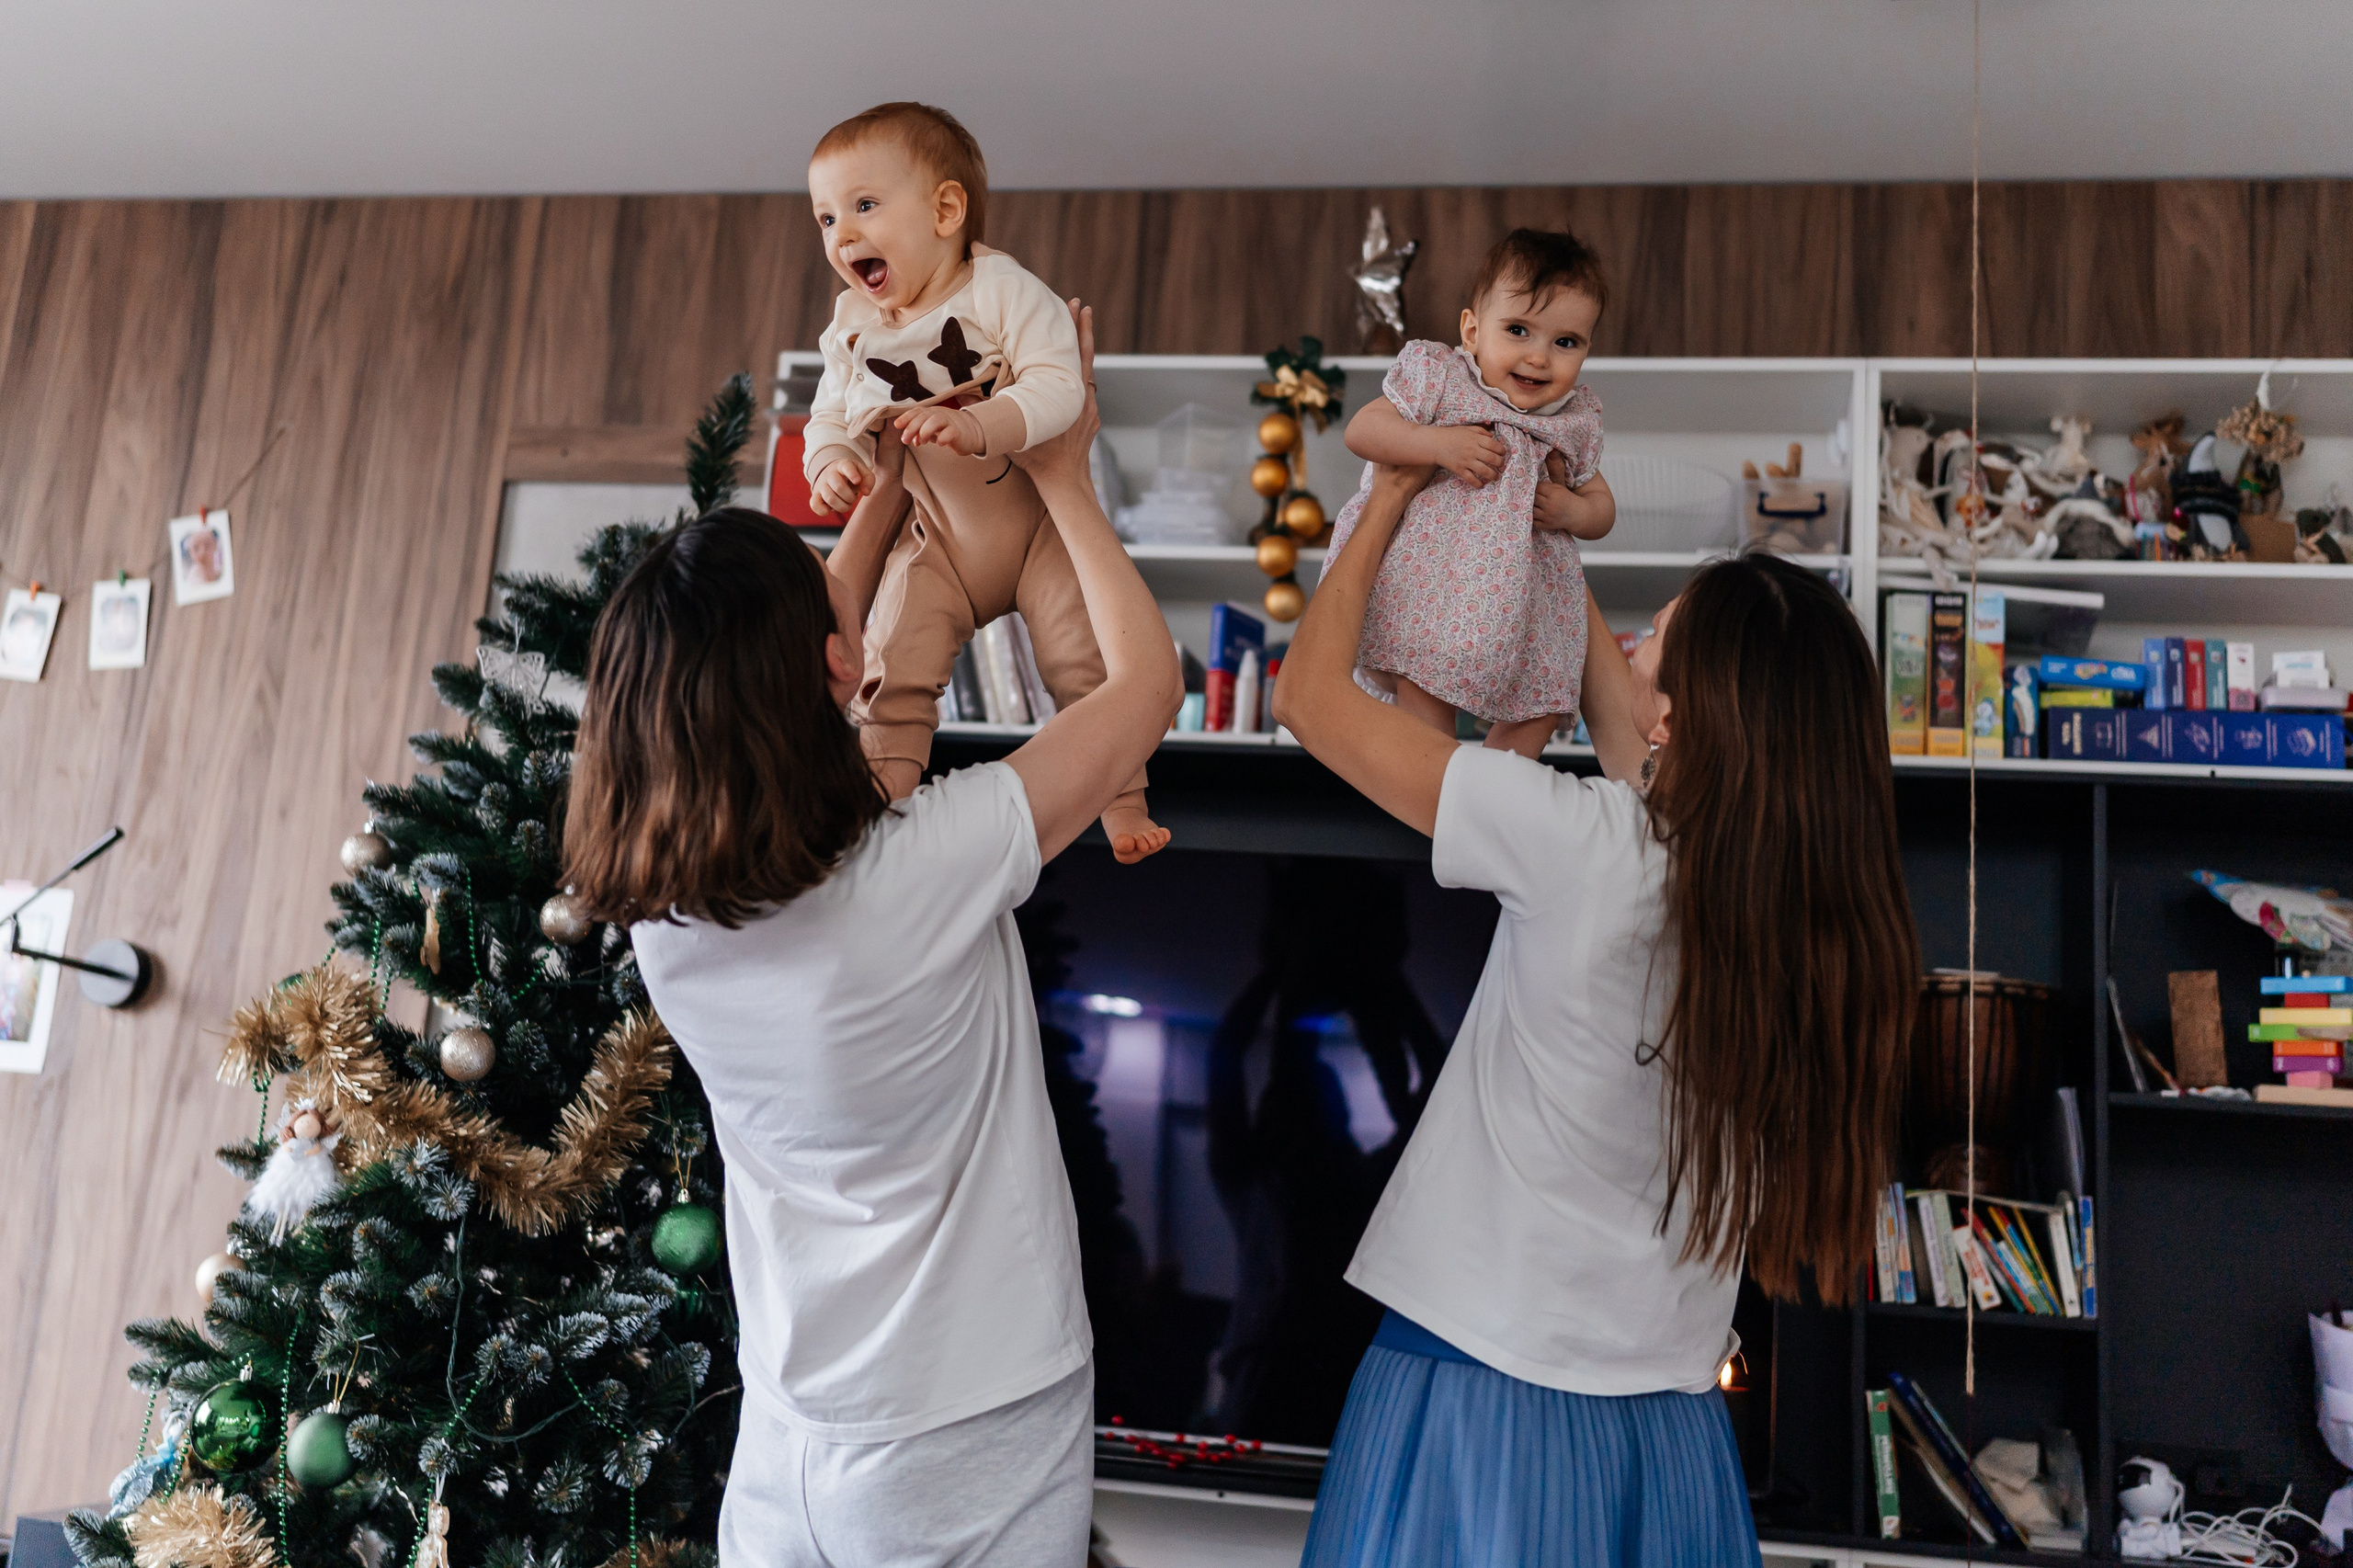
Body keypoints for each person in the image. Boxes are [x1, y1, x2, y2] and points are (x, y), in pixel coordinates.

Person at [563, 302, 1179, 1568]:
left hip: (795, 1427)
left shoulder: (669, 919)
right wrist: (1061, 475)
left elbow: (806, 653)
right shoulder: (926, 869)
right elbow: (1145, 688)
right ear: (831, 670)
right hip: (971, 1418)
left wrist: (894, 482)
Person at [1273, 462, 1917, 1566]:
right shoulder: (1808, 927)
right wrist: (1537, 492)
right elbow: (1635, 735)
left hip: (1480, 1388)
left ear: (1683, 710)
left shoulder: (1584, 843)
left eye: (1653, 640)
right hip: (1669, 1431)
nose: (1624, 648)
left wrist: (1384, 497)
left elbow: (1307, 699)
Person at [801, 99, 1167, 862]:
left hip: (1035, 527)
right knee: (889, 661)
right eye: (827, 219)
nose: (844, 235)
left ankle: (1122, 799)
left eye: (864, 206)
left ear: (945, 209)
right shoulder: (851, 330)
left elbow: (1058, 387)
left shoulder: (1000, 291)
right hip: (936, 536)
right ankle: (884, 803)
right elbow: (830, 416)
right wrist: (834, 463)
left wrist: (981, 426)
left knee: (1085, 659)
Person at [1323, 228, 1620, 760]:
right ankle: (1431, 783)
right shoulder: (1443, 380)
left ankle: (1494, 786)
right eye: (1518, 330)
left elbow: (1603, 509)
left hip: (1530, 605)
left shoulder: (1572, 422)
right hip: (1434, 587)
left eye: (1565, 342)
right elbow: (1363, 431)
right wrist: (1433, 443)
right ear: (1472, 330)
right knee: (1423, 691)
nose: (1539, 357)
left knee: (1544, 702)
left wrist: (1573, 509)